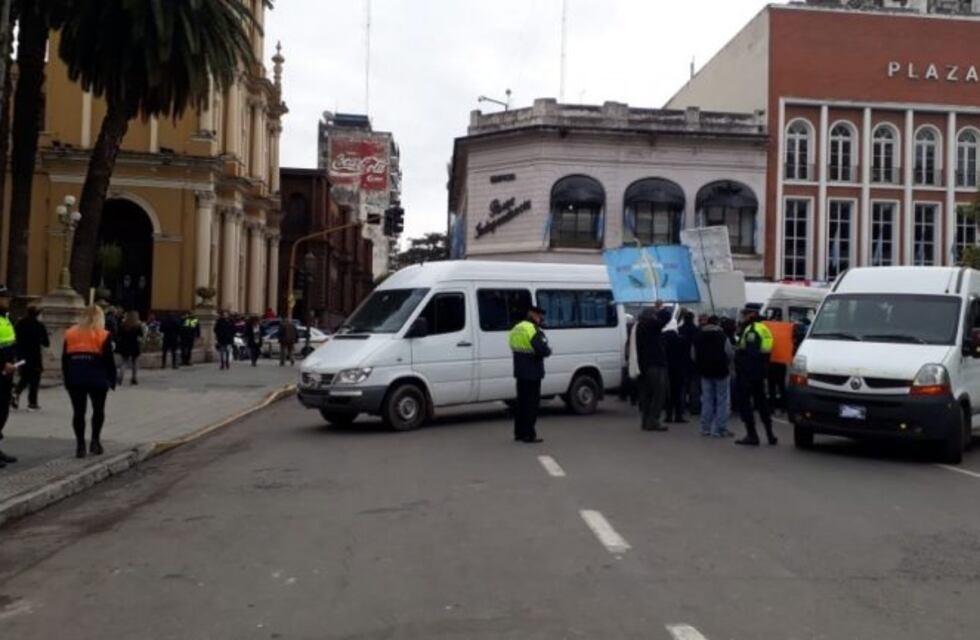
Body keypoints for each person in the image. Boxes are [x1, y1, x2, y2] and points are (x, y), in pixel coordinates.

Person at [63, 305, 117, 458]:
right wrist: (112, 380)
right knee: (98, 411)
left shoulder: (70, 333)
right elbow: (109, 360)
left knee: (78, 412)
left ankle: (80, 446)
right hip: (97, 378)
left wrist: (67, 378)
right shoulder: (103, 334)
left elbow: (65, 360)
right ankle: (95, 441)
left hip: (76, 378)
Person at [734, 307, 777, 446]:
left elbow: (751, 354)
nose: (743, 317)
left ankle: (752, 435)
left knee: (745, 404)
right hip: (760, 372)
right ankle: (770, 435)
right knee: (762, 404)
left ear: (752, 315)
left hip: (749, 373)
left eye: (745, 315)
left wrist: (744, 371)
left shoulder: (752, 330)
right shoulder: (763, 328)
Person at [508, 305, 551, 443]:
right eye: (539, 316)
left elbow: (512, 345)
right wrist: (548, 350)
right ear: (533, 315)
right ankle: (529, 434)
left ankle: (519, 433)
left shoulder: (516, 328)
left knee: (521, 404)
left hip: (520, 372)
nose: (541, 319)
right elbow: (542, 349)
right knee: (531, 405)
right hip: (533, 373)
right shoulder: (532, 329)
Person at [692, 315, 734, 437]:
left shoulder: (698, 336)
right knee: (722, 400)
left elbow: (693, 355)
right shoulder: (722, 337)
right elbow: (730, 353)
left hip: (705, 372)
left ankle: (705, 428)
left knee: (707, 399)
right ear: (717, 324)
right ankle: (720, 429)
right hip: (721, 371)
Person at [635, 306, 671, 431]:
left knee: (647, 395)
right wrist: (662, 309)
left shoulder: (639, 326)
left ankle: (645, 421)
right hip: (655, 364)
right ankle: (654, 421)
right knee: (658, 394)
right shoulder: (649, 325)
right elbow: (666, 317)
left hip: (643, 366)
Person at [13, 305, 50, 410]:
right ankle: (32, 403)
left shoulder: (19, 324)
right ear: (37, 314)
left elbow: (14, 338)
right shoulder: (39, 325)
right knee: (35, 379)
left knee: (24, 377)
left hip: (21, 356)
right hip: (34, 357)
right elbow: (46, 343)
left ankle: (16, 393)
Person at [0, 286, 18, 468]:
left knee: (3, 412)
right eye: (4, 298)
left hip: (7, 373)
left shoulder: (6, 319)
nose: (8, 301)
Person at [663, 319, 688, 423]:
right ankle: (678, 416)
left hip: (666, 369)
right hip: (679, 369)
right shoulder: (681, 339)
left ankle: (668, 415)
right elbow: (686, 355)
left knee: (668, 394)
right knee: (678, 394)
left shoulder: (662, 339)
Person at [116, 310, 143, 385]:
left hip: (125, 345)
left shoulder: (123, 325)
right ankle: (134, 378)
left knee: (124, 362)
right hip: (134, 345)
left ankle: (120, 377)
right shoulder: (137, 326)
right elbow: (141, 336)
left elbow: (118, 335)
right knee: (135, 362)